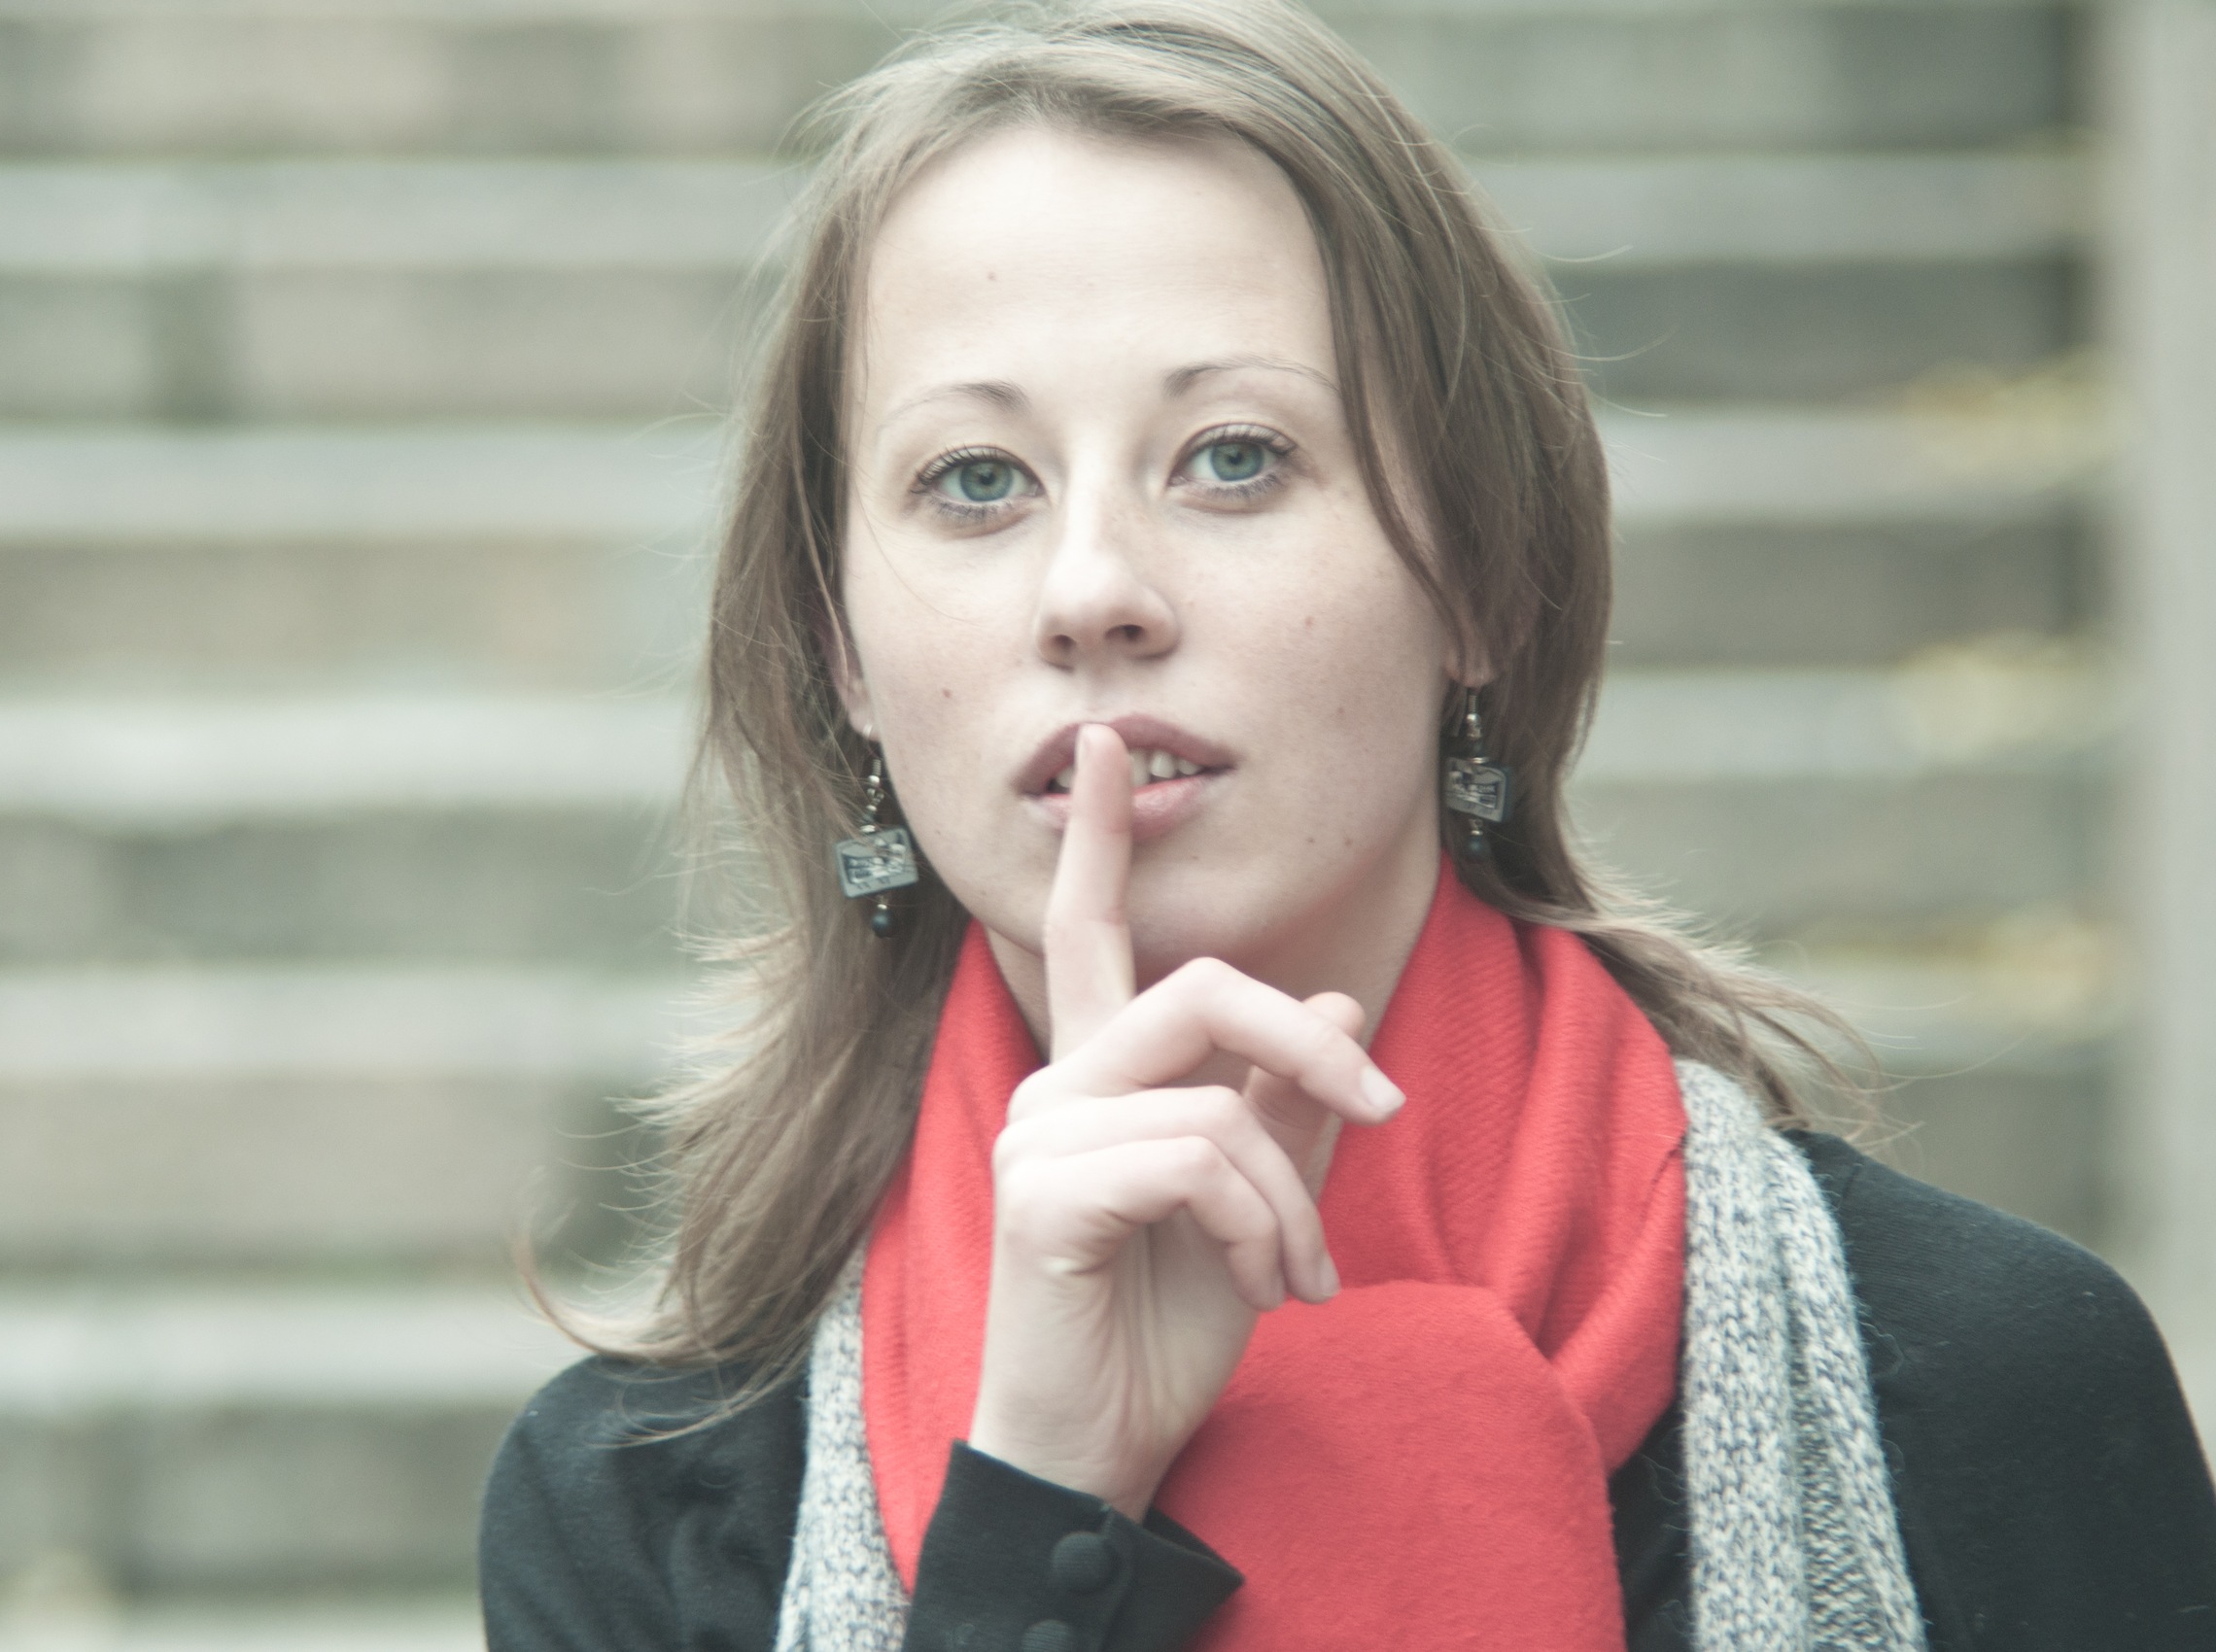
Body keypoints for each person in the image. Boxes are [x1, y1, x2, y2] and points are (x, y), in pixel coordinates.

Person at [477, 3, 2216, 1647]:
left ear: (1480, 581)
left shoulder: (1994, 1391)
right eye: (977, 482)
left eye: (1234, 457)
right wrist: (1039, 1512)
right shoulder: (639, 1507)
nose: (1092, 592)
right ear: (843, 654)